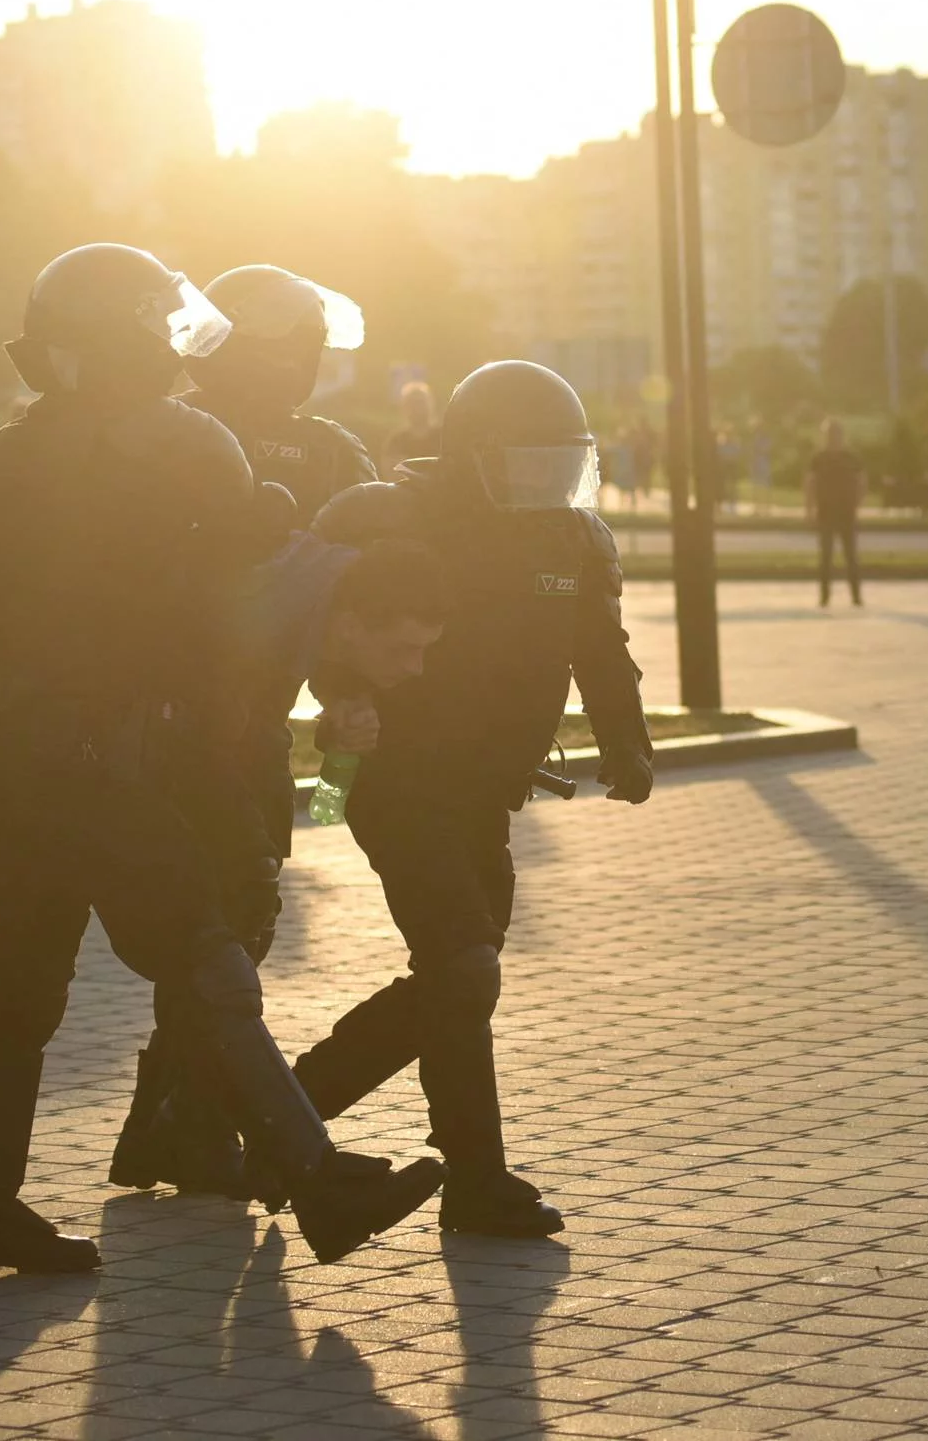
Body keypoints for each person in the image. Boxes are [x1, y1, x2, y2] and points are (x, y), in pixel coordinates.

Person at [0, 243, 442, 1277]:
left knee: (25, 988)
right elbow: (216, 604)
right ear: (132, 342)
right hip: (121, 757)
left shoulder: (3, 460)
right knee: (209, 948)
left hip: (28, 756)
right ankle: (313, 1178)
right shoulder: (185, 447)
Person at [289, 360, 656, 1237]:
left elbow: (603, 650)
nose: (545, 487)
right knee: (463, 965)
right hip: (394, 784)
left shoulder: (575, 539)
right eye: (527, 466)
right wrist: (343, 706)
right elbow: (327, 632)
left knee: (461, 977)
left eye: (559, 467)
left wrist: (626, 739)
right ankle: (321, 1124)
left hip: (487, 792)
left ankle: (313, 1122)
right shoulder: (400, 522)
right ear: (473, 456)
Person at [109, 531, 451, 1199]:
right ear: (351, 627)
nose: (416, 668)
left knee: (233, 935)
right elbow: (199, 742)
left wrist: (342, 745)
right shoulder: (260, 624)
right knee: (219, 942)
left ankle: (172, 1131)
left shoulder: (340, 608)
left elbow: (327, 806)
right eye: (404, 648)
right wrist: (250, 842)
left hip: (235, 741)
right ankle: (190, 1131)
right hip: (165, 743)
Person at [183, 265, 377, 528]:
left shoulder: (333, 448)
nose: (292, 364)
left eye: (304, 349)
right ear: (226, 345)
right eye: (279, 348)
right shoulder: (173, 428)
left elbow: (368, 546)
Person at [805, 418, 867, 608]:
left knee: (851, 557)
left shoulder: (851, 458)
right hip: (826, 512)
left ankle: (856, 596)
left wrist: (857, 502)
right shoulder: (818, 458)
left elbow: (862, 481)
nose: (833, 439)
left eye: (836, 435)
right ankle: (825, 597)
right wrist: (809, 508)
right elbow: (810, 483)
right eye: (830, 435)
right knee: (825, 557)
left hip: (846, 512)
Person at [383, 379, 439, 469]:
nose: (417, 408)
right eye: (413, 403)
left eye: (421, 402)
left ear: (430, 404)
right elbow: (391, 471)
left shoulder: (443, 437)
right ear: (405, 406)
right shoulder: (396, 441)